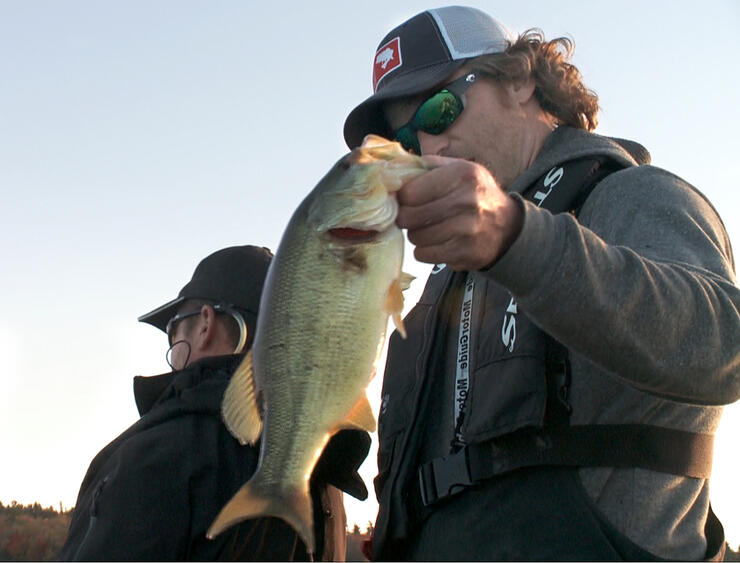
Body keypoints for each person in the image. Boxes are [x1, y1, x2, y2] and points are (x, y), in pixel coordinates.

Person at [343, 6, 740, 561]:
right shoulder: (443, 283)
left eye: (439, 108)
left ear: (522, 78)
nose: (428, 148)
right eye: (405, 141)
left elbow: (724, 345)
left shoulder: (634, 196)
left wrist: (517, 238)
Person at [58, 245, 371, 561]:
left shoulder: (158, 455)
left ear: (206, 323)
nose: (172, 350)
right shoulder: (323, 481)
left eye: (173, 330)